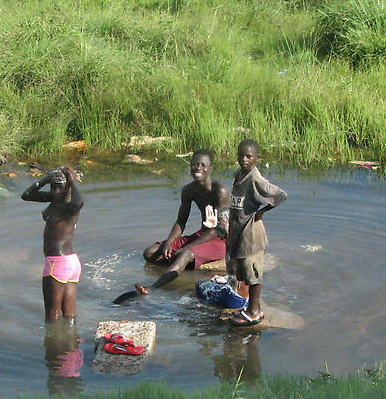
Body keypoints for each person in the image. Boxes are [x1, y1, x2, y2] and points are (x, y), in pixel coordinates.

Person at [113, 149, 230, 304]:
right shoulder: (189, 190)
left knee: (185, 253)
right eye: (195, 164)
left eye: (203, 165)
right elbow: (181, 221)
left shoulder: (220, 192)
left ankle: (154, 288)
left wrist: (187, 248)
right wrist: (168, 243)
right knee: (150, 253)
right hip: (202, 235)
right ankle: (181, 270)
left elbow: (220, 230)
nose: (198, 168)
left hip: (219, 240)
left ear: (210, 169)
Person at [226, 139, 287, 326]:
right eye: (241, 155)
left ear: (257, 158)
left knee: (253, 274)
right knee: (243, 272)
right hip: (239, 231)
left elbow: (279, 194)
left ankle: (254, 312)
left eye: (249, 156)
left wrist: (261, 211)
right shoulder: (240, 174)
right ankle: (255, 306)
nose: (244, 159)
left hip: (251, 234)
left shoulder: (254, 178)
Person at [22, 166, 84, 323]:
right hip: (70, 263)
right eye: (53, 186)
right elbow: (26, 195)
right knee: (69, 314)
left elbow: (79, 202)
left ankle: (53, 346)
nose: (55, 190)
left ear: (67, 187)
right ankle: (72, 346)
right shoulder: (55, 199)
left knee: (52, 315)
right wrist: (46, 179)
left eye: (59, 186)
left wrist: (71, 181)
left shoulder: (70, 206)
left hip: (56, 263)